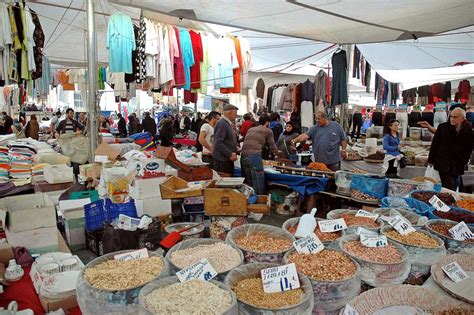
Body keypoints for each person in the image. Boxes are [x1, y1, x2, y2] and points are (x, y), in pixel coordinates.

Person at [428, 108, 473, 190]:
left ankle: (448, 200)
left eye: (455, 117)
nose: (452, 119)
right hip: (444, 162)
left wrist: (465, 160)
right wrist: (431, 160)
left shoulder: (468, 128)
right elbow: (434, 144)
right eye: (451, 116)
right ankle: (449, 201)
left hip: (458, 163)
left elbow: (469, 146)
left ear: (462, 118)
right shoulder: (442, 127)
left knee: (455, 185)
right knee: (449, 187)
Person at [241, 114, 280, 194]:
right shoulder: (268, 130)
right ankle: (259, 201)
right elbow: (272, 146)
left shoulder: (251, 129)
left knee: (249, 181)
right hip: (254, 156)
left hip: (243, 156)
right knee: (258, 180)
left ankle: (249, 200)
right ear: (267, 122)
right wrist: (277, 153)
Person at [212, 104, 239, 175]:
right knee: (224, 180)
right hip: (222, 159)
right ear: (229, 113)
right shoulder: (223, 124)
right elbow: (218, 143)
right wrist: (230, 154)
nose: (236, 115)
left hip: (225, 158)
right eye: (235, 113)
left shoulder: (225, 123)